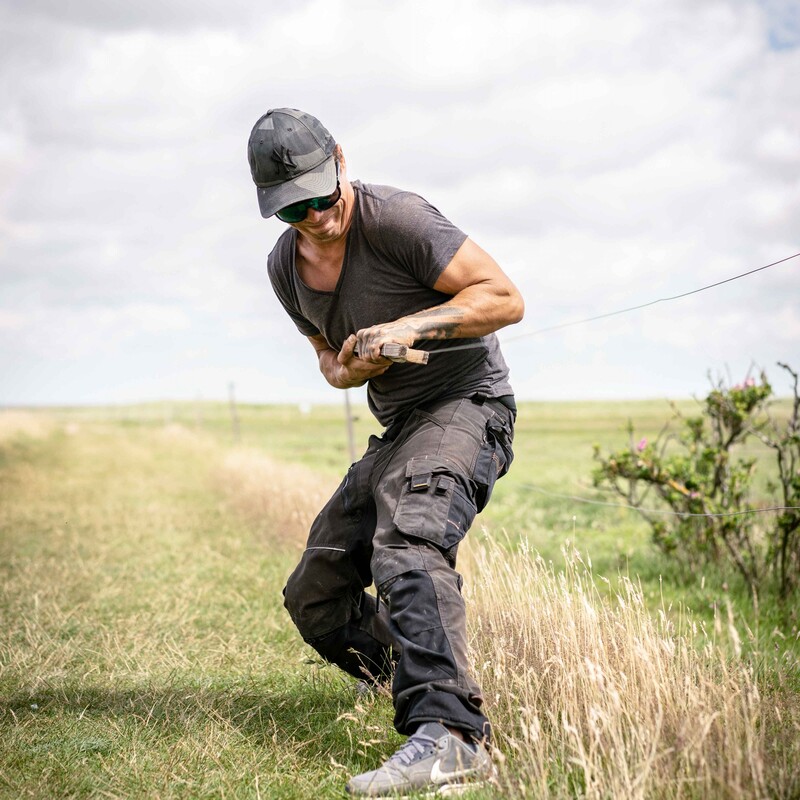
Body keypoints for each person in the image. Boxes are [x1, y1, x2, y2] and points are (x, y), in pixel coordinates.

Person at [247, 108, 524, 797]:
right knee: (315, 596)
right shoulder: (285, 268)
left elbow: (505, 297)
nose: (314, 215)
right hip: (398, 426)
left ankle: (450, 734)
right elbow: (326, 361)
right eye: (293, 209)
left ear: (340, 159)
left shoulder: (398, 219)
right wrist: (350, 370)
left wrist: (407, 325)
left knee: (408, 538)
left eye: (321, 194)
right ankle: (426, 677)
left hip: (466, 405)